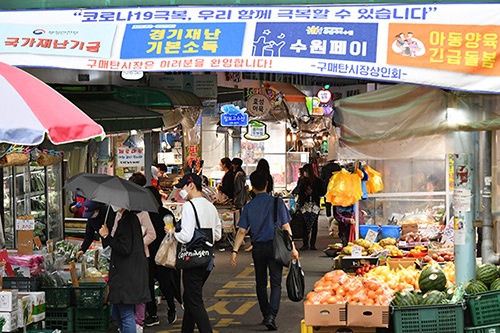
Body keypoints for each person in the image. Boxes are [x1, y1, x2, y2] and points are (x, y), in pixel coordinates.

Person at [230, 170, 299, 331]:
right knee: (276, 283)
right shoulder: (277, 203)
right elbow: (286, 227)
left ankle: (265, 313)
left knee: (260, 283)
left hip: (258, 248)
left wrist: (235, 251)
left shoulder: (249, 206)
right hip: (276, 247)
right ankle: (271, 316)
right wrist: (293, 249)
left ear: (252, 187)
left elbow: (242, 231)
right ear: (267, 184)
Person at [172, 173, 222, 333]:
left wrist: (173, 234)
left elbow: (186, 236)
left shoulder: (189, 206)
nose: (181, 191)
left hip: (191, 259)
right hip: (206, 260)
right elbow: (218, 235)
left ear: (191, 185)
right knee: (190, 297)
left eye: (183, 187)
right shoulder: (210, 206)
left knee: (194, 300)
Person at [99, 206, 150, 333]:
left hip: (126, 277)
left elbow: (124, 248)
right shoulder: (129, 219)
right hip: (129, 274)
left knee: (126, 315)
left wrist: (107, 236)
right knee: (117, 314)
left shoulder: (127, 221)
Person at [144, 186, 182, 328]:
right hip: (150, 253)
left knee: (163, 283)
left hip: (161, 254)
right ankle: (154, 313)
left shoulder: (164, 214)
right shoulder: (145, 214)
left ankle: (169, 308)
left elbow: (171, 233)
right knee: (153, 284)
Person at [124, 172, 157, 333]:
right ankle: (130, 321)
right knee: (129, 289)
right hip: (125, 258)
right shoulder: (120, 215)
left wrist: (137, 245)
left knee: (141, 290)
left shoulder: (143, 213)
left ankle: (139, 322)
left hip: (142, 257)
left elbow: (152, 234)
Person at [295, 163, 325, 250]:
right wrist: (304, 193)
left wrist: (313, 192)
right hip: (305, 204)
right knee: (304, 223)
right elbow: (298, 190)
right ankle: (305, 243)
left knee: (314, 223)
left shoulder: (317, 181)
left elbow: (322, 192)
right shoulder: (301, 181)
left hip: (314, 204)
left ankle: (312, 243)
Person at [320, 160, 342, 231]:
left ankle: (329, 218)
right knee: (336, 204)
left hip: (327, 187)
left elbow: (322, 178)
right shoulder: (338, 167)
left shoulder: (325, 168)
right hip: (336, 188)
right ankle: (336, 218)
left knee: (328, 204)